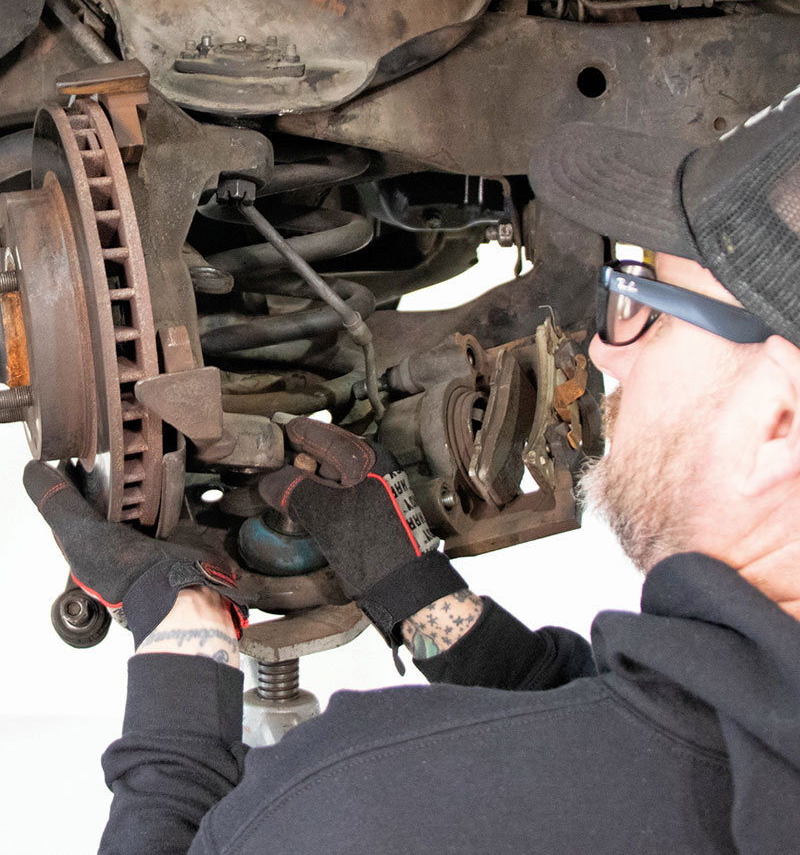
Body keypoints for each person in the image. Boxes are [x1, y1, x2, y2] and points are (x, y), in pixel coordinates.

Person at [25, 84, 800, 855]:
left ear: (782, 417)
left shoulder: (358, 805)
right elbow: (616, 738)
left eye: (646, 307)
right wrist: (418, 596)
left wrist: (183, 651)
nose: (603, 348)